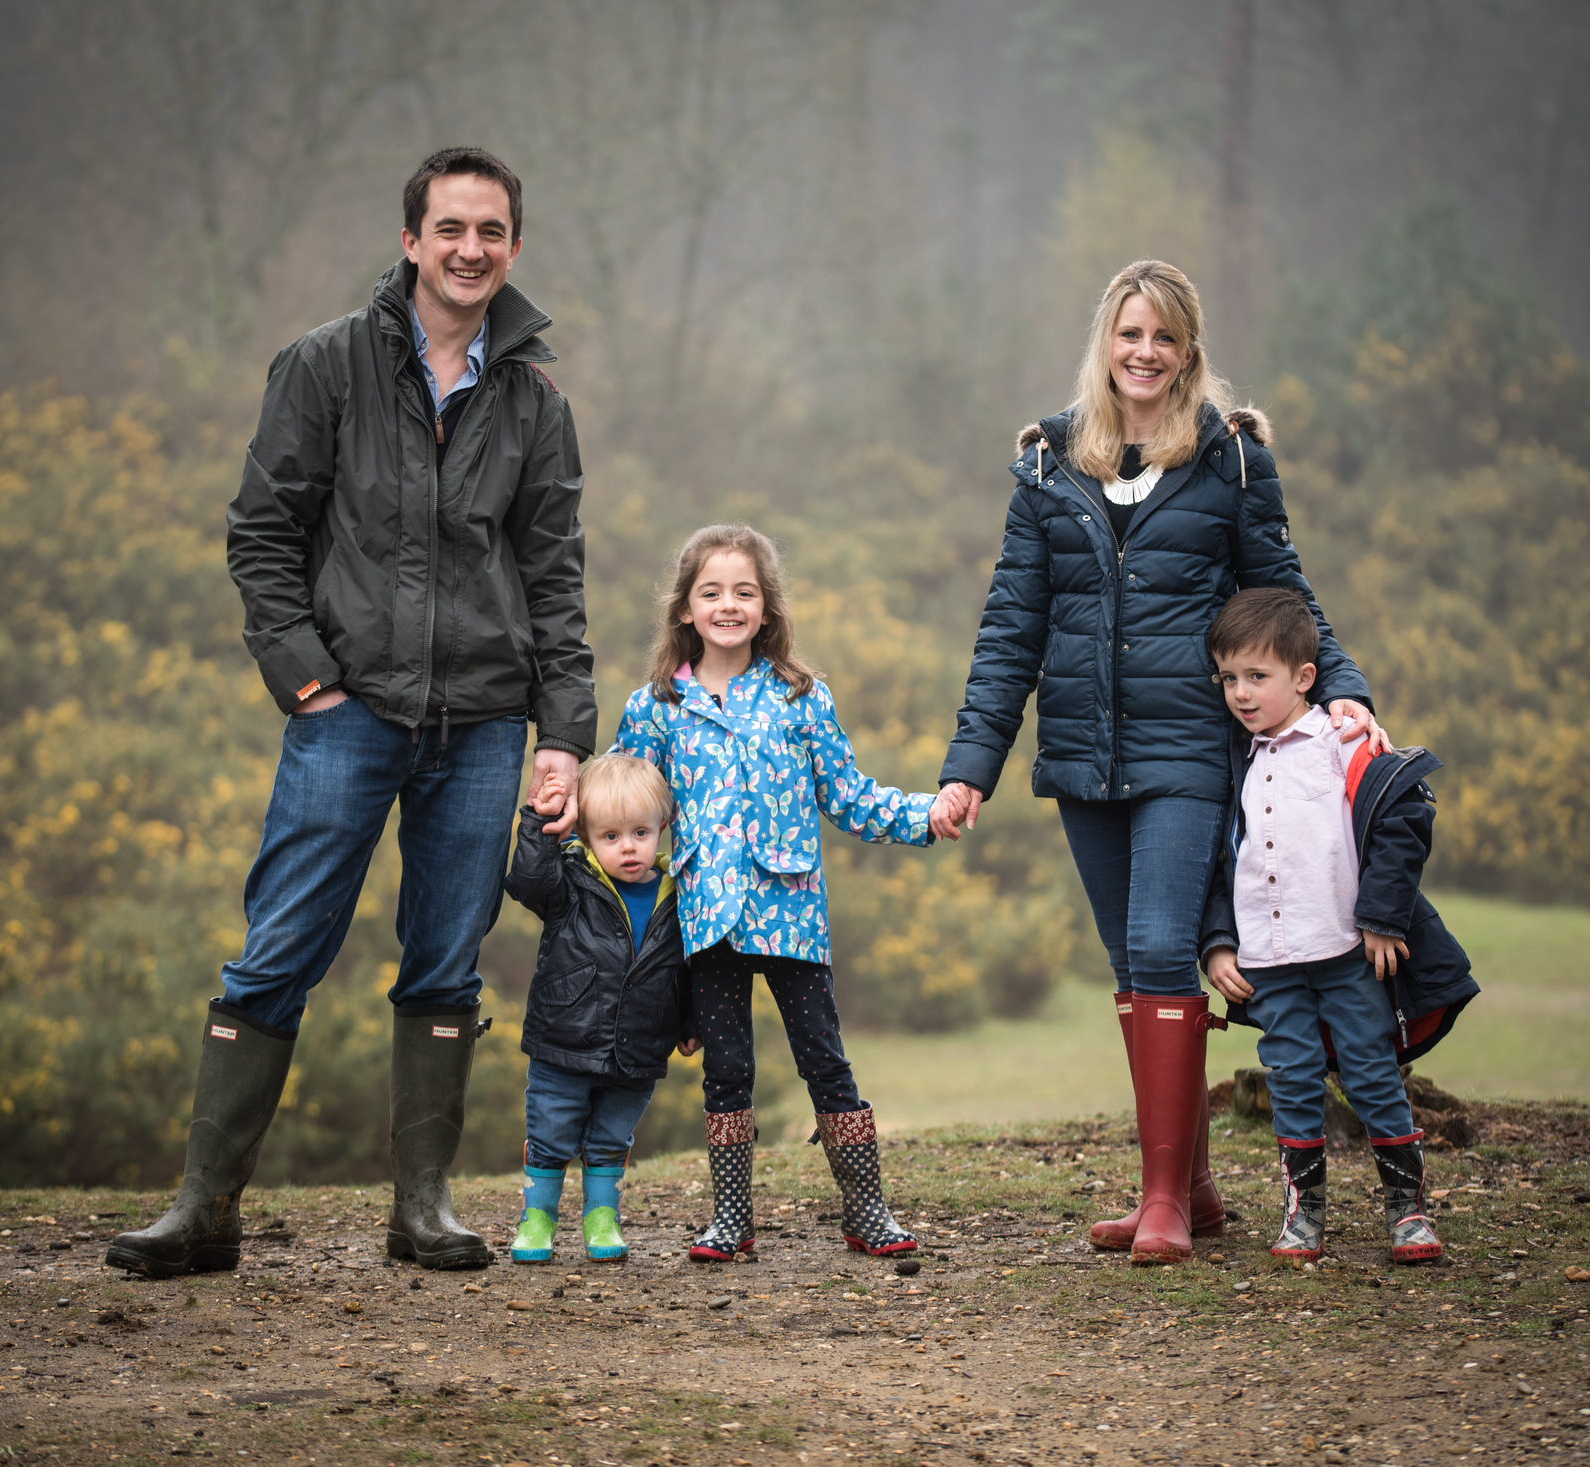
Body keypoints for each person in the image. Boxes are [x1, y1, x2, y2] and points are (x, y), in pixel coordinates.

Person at [107, 147, 595, 1278]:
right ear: (413, 240)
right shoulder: (322, 367)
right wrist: (309, 682)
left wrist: (561, 736)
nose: (470, 249)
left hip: (481, 724)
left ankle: (420, 1213)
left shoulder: (533, 402)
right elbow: (262, 535)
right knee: (276, 951)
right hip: (348, 715)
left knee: (445, 965)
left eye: (491, 231)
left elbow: (554, 579)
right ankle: (204, 1211)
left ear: (513, 247)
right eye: (449, 228)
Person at [929, 260, 1382, 1266]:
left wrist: (1339, 680)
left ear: (1188, 352)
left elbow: (1280, 584)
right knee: (1130, 965)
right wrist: (971, 766)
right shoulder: (1048, 459)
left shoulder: (1227, 458)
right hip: (1083, 755)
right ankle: (1193, 1189)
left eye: (1163, 338)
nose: (1143, 353)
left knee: (1156, 948)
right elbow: (1010, 626)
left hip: (1187, 744)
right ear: (1106, 342)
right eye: (1128, 335)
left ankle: (1162, 1203)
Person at [613, 524, 942, 1262]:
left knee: (825, 1059)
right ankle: (732, 1218)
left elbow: (851, 796)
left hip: (791, 913)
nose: (728, 605)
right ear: (685, 609)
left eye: (744, 592)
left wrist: (925, 814)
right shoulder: (657, 705)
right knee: (727, 1069)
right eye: (711, 592)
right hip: (709, 921)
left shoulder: (801, 697)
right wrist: (568, 808)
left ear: (766, 609)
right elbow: (624, 800)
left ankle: (868, 1211)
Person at [1199, 588, 1477, 1264]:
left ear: (1303, 678)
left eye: (1257, 677)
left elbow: (1405, 819)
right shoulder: (1231, 759)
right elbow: (1215, 860)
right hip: (1268, 963)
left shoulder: (1340, 739)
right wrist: (1218, 942)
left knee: (1373, 1073)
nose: (1240, 692)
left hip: (1348, 953)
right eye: (1229, 677)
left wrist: (1382, 917)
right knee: (1290, 1079)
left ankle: (1407, 1212)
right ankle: (1304, 1215)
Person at [500, 754, 695, 1264]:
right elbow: (526, 882)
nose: (628, 847)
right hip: (564, 1038)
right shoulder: (568, 882)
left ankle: (601, 1218)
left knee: (611, 1137)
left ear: (662, 828)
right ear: (585, 836)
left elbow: (688, 966)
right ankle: (537, 1219)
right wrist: (540, 819)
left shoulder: (679, 894)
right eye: (610, 836)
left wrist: (691, 1021)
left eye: (639, 832)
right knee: (550, 1132)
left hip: (640, 1045)